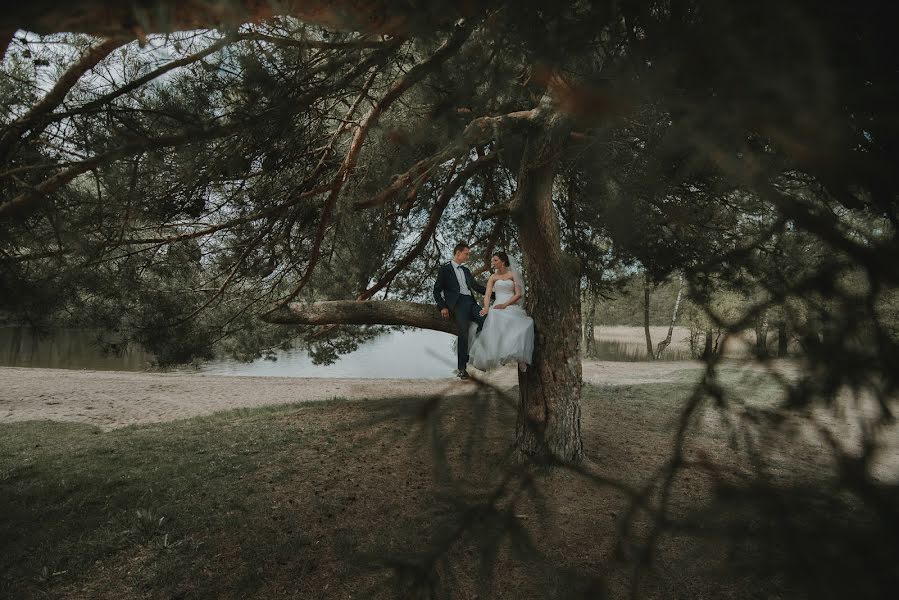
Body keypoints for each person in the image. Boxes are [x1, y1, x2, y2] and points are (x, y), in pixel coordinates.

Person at [467, 251, 534, 372]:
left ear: (503, 262)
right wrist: (486, 307)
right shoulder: (493, 277)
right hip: (497, 305)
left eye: (495, 260)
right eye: (493, 260)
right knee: (494, 323)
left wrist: (505, 304)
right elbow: (487, 295)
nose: (493, 263)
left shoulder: (513, 274)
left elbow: (518, 294)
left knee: (525, 324)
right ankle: (496, 357)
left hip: (509, 304)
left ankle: (520, 357)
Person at [432, 242, 488, 380]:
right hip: (458, 304)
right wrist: (443, 306)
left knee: (486, 321)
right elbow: (436, 290)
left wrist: (494, 294)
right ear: (458, 253)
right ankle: (462, 368)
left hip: (471, 302)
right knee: (463, 332)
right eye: (466, 254)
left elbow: (476, 287)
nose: (468, 256)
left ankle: (473, 354)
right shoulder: (445, 269)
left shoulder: (466, 271)